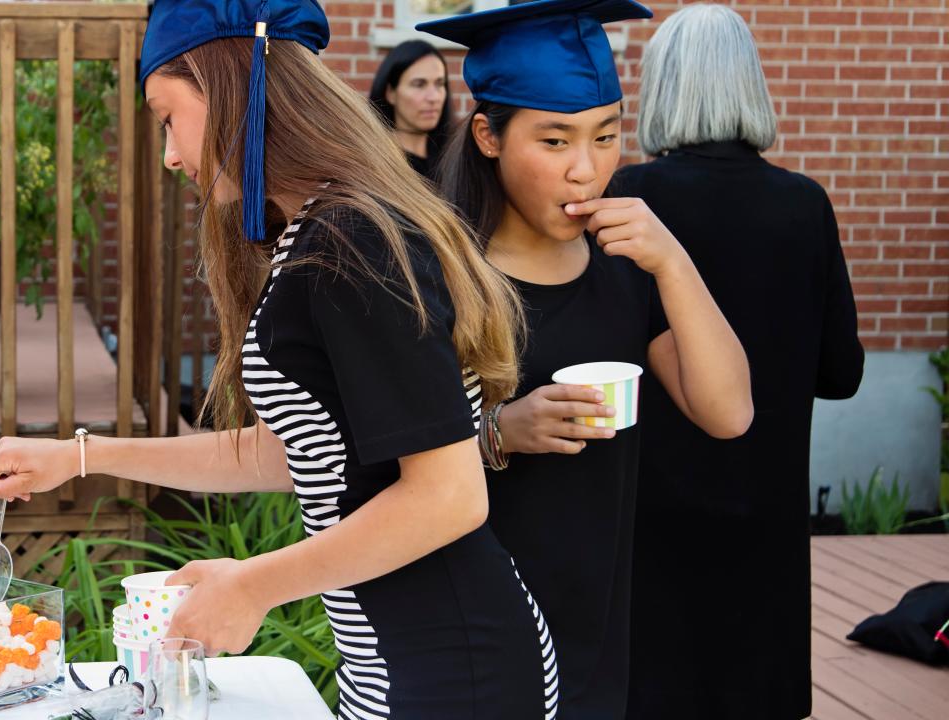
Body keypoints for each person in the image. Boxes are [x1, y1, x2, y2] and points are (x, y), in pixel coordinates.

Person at [0, 1, 559, 717]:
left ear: (229, 91)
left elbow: (450, 495)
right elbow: (300, 454)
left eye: (167, 117)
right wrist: (80, 456)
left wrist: (255, 585)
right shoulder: (317, 234)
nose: (170, 155)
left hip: (452, 672)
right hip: (404, 659)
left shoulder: (350, 243)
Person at [420, 1, 753, 717]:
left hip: (599, 618)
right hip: (469, 616)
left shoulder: (625, 266)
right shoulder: (439, 276)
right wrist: (501, 430)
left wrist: (672, 261)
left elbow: (728, 413)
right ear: (487, 135)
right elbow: (372, 458)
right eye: (554, 140)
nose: (586, 169)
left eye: (606, 136)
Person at [611, 6, 864, 719]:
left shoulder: (631, 199)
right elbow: (841, 374)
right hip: (767, 525)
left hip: (653, 522)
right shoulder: (805, 203)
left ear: (659, 86)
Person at [368, 40, 453, 179]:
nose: (433, 97)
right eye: (419, 84)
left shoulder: (453, 159)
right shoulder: (376, 166)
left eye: (439, 84)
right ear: (391, 93)